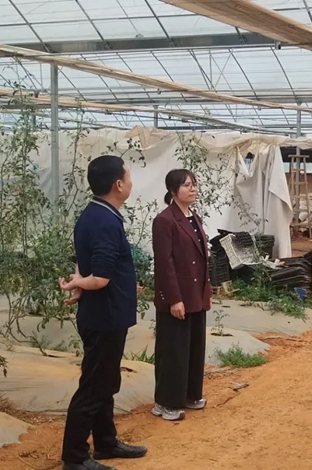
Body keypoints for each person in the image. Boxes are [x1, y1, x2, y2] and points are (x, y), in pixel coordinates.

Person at [58, 155, 147, 470]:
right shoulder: (106, 220)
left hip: (103, 313)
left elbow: (88, 262)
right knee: (94, 386)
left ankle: (106, 442)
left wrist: (81, 282)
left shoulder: (94, 214)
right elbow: (101, 277)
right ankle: (75, 457)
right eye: (128, 176)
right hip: (105, 317)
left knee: (105, 382)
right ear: (118, 184)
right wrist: (81, 283)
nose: (131, 182)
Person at [151, 169, 212, 421]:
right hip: (177, 296)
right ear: (173, 190)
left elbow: (202, 257)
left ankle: (189, 394)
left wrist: (205, 291)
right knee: (173, 350)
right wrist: (174, 299)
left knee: (194, 347)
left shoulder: (193, 217)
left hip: (196, 294)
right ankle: (165, 402)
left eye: (194, 184)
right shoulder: (165, 221)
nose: (193, 188)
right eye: (187, 185)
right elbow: (164, 263)